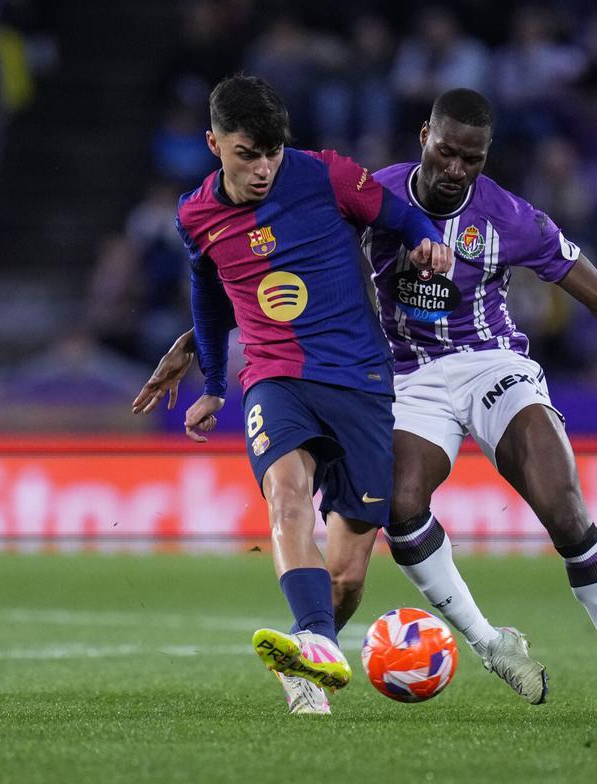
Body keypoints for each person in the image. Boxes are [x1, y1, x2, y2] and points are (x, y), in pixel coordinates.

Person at [136, 88, 597, 718]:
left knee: (564, 508)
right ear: (424, 135)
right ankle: (488, 643)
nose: (456, 169)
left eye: (472, 159)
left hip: (491, 363)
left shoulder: (511, 218)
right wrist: (196, 343)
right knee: (401, 510)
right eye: (447, 151)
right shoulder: (372, 191)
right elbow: (274, 261)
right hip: (403, 375)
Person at [166, 73, 452, 714]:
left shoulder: (326, 174)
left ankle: (311, 647)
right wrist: (213, 384)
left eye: (271, 153)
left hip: (361, 380)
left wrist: (425, 240)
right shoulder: (195, 217)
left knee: (348, 573)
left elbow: (400, 214)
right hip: (274, 378)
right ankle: (319, 639)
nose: (263, 168)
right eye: (247, 154)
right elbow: (209, 298)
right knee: (286, 496)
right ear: (214, 143)